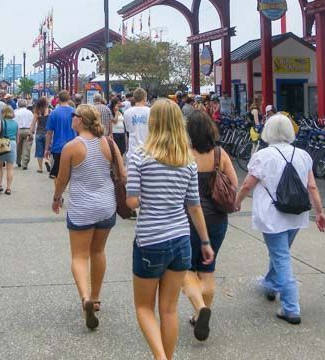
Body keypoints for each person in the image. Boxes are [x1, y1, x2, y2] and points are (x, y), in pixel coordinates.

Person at [125, 99, 215, 360]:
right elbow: (194, 207)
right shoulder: (186, 160)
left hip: (150, 240)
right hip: (181, 240)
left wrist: (146, 194)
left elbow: (132, 201)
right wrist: (206, 242)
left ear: (152, 122)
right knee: (169, 309)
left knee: (144, 307)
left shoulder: (140, 157)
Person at [233, 113, 325, 325]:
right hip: (297, 213)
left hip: (272, 215)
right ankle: (270, 284)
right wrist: (319, 212)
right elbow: (311, 186)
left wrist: (237, 201)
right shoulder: (303, 155)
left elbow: (248, 184)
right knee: (281, 252)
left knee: (281, 256)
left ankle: (291, 306)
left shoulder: (263, 156)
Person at [51, 105, 124, 330]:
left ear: (80, 120)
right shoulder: (109, 143)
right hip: (106, 206)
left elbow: (62, 179)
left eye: (74, 116)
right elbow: (122, 174)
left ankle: (85, 299)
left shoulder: (71, 147)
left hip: (82, 208)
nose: (71, 118)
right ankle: (96, 296)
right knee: (98, 251)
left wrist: (56, 198)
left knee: (80, 256)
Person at [181, 111, 238, 341]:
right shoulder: (219, 153)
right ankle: (200, 313)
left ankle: (200, 307)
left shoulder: (184, 154)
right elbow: (234, 183)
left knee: (186, 268)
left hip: (188, 219)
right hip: (217, 219)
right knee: (208, 268)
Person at [45, 90, 77, 179]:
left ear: (58, 99)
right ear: (69, 98)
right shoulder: (74, 112)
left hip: (58, 146)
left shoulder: (54, 113)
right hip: (73, 145)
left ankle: (59, 190)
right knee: (72, 171)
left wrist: (47, 148)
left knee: (57, 173)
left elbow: (49, 133)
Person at [0, 105, 18, 195]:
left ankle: (0, 185)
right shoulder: (15, 123)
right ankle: (8, 188)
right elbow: (17, 137)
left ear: (3, 113)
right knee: (10, 167)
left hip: (2, 143)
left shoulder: (1, 122)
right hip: (12, 143)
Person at [123, 88, 150, 163]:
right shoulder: (150, 111)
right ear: (145, 98)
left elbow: (128, 130)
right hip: (147, 150)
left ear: (134, 98)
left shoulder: (127, 113)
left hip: (132, 151)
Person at [31, 97, 50, 173]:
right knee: (48, 149)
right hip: (47, 133)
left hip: (39, 133)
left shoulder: (37, 112)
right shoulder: (50, 111)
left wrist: (30, 133)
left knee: (39, 151)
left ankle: (40, 168)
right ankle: (48, 162)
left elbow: (33, 124)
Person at [14, 99, 34, 169]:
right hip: (28, 130)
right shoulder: (30, 113)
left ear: (18, 105)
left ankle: (18, 161)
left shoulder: (16, 113)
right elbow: (33, 123)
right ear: (26, 105)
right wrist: (33, 131)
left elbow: (14, 123)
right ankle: (25, 163)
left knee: (18, 147)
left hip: (19, 131)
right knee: (27, 148)